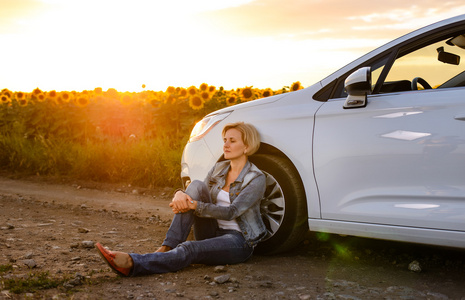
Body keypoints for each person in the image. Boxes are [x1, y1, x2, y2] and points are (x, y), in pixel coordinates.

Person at [95, 122, 267, 276]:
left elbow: (232, 212)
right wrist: (180, 194)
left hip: (238, 241)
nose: (226, 145)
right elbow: (197, 191)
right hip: (211, 229)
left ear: (247, 147)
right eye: (225, 140)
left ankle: (132, 263)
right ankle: (167, 246)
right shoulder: (219, 168)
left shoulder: (255, 178)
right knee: (197, 185)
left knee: (189, 248)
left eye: (232, 141)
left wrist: (194, 206)